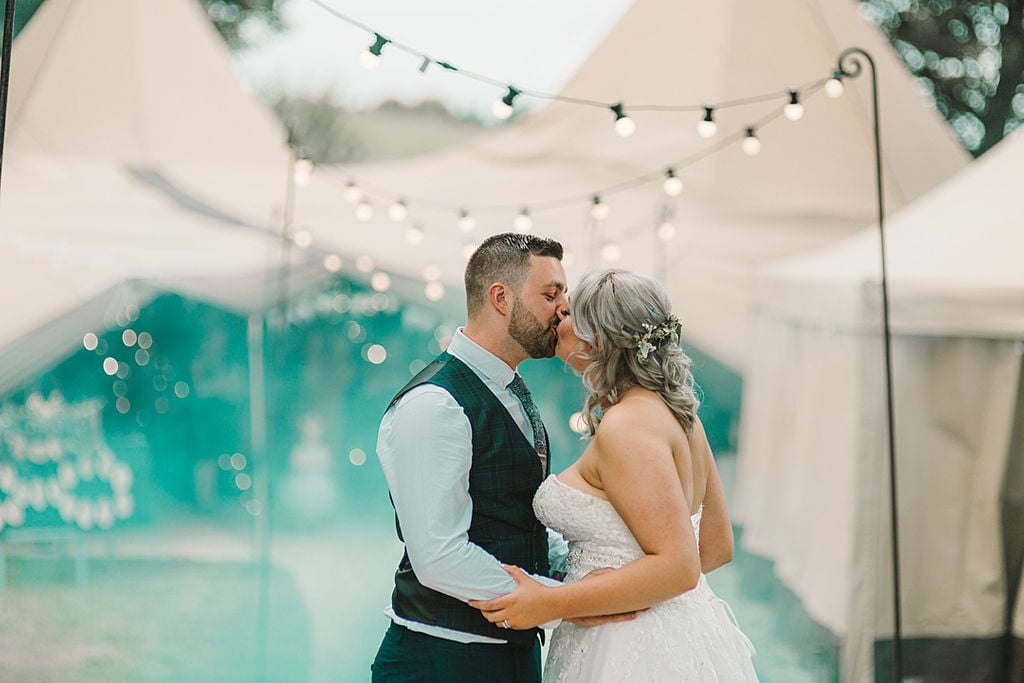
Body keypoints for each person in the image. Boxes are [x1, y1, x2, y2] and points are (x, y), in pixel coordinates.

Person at [470, 268, 759, 681]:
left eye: (567, 314)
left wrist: (553, 602)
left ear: (598, 339)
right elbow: (715, 547)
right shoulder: (682, 416)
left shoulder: (627, 426)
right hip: (681, 634)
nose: (557, 319)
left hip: (627, 647)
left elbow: (681, 567)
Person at [372, 233, 621, 682]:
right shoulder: (434, 404)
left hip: (511, 655)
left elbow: (515, 515)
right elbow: (439, 556)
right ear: (501, 298)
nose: (564, 309)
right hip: (441, 660)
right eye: (551, 294)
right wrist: (562, 602)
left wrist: (573, 572)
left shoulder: (509, 387)